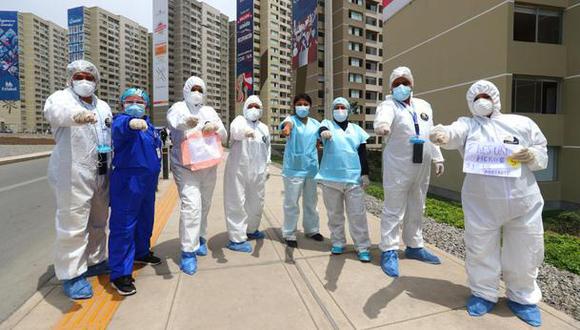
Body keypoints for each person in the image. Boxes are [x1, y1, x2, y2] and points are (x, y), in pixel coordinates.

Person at [430, 80, 547, 327]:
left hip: (522, 201)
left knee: (525, 250)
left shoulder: (521, 123)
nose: (481, 100)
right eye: (476, 98)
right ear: (470, 103)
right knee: (480, 248)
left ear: (495, 98)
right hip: (481, 203)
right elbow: (452, 133)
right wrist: (441, 135)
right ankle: (483, 293)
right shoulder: (468, 124)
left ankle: (523, 297)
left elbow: (542, 150)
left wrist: (533, 155)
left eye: (485, 95)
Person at [43, 60, 112, 299]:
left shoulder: (103, 106)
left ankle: (96, 260)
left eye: (90, 77)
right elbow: (55, 113)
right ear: (71, 78)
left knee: (99, 220)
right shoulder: (61, 98)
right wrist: (77, 116)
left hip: (101, 171)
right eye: (80, 76)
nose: (85, 81)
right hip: (71, 171)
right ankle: (71, 274)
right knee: (73, 225)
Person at [373, 66, 445, 278]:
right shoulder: (388, 104)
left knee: (417, 205)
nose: (402, 87)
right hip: (398, 165)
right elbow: (383, 118)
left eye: (405, 82)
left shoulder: (424, 106)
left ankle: (414, 245)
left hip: (421, 164)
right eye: (397, 84)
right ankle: (389, 249)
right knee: (394, 208)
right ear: (391, 87)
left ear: (412, 84)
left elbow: (431, 132)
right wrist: (382, 126)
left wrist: (437, 156)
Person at [167, 76, 227, 275]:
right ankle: (188, 251)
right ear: (185, 90)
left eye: (200, 89)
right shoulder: (178, 108)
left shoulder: (208, 111)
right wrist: (187, 122)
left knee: (205, 204)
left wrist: (214, 127)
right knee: (191, 206)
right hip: (185, 166)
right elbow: (174, 122)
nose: (197, 93)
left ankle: (200, 237)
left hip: (208, 165)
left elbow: (224, 133)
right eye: (193, 89)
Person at [108, 88, 162, 296]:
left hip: (147, 182)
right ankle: (120, 274)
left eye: (139, 101)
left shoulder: (149, 127)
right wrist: (130, 123)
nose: (134, 104)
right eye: (129, 101)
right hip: (128, 181)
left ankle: (141, 251)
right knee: (124, 225)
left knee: (145, 219)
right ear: (122, 104)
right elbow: (121, 127)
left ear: (146, 105)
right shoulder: (122, 121)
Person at [315, 97, 372, 262]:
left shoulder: (357, 130)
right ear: (332, 111)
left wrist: (365, 174)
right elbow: (321, 129)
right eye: (337, 107)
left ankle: (362, 246)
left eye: (342, 107)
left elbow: (362, 153)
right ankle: (338, 242)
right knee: (335, 214)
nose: (340, 110)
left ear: (348, 110)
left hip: (353, 179)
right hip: (330, 178)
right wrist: (323, 133)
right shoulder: (327, 124)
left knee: (357, 214)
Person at [224, 95, 271, 253]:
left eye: (257, 106)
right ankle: (236, 239)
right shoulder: (239, 120)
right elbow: (235, 132)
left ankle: (252, 229)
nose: (254, 109)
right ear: (245, 108)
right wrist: (246, 132)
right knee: (237, 202)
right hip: (239, 169)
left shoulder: (264, 128)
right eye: (250, 106)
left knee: (256, 202)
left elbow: (267, 147)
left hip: (258, 171)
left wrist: (267, 166)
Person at [279, 93, 324, 248]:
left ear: (310, 107)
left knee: (311, 201)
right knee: (291, 202)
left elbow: (320, 139)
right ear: (294, 106)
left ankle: (312, 229)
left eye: (305, 104)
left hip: (311, 168)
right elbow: (286, 126)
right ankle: (289, 233)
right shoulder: (291, 120)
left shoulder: (315, 124)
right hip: (294, 168)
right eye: (299, 104)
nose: (302, 107)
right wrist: (286, 129)